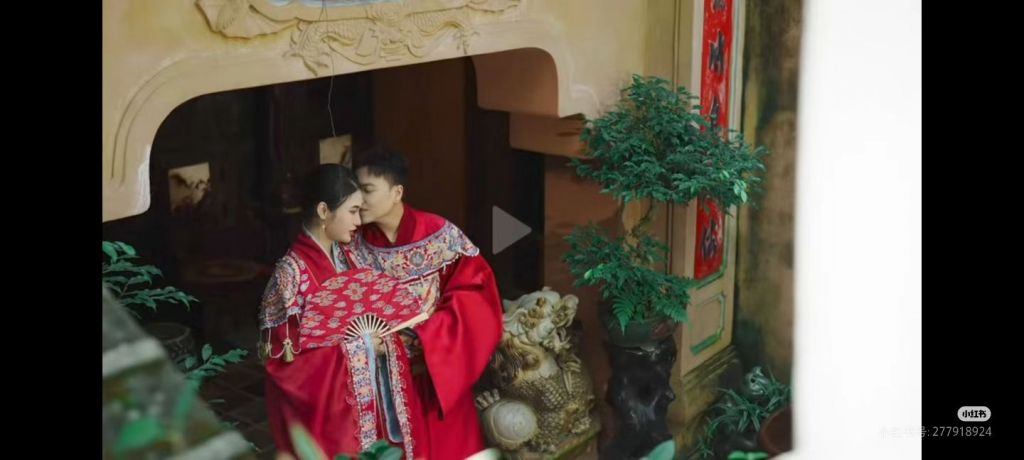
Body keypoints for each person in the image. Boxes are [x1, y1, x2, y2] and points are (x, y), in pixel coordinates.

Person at [259, 164, 426, 460]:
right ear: (324, 211)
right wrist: (361, 348)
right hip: (328, 418)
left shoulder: (351, 257)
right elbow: (283, 366)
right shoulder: (290, 275)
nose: (359, 221)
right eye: (352, 211)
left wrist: (381, 341)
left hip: (367, 405)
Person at [348, 145, 504, 460]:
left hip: (435, 375)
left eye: (367, 190)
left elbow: (475, 294)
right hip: (381, 382)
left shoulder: (439, 235)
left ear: (397, 192)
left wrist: (428, 336)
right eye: (355, 191)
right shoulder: (351, 244)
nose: (358, 200)